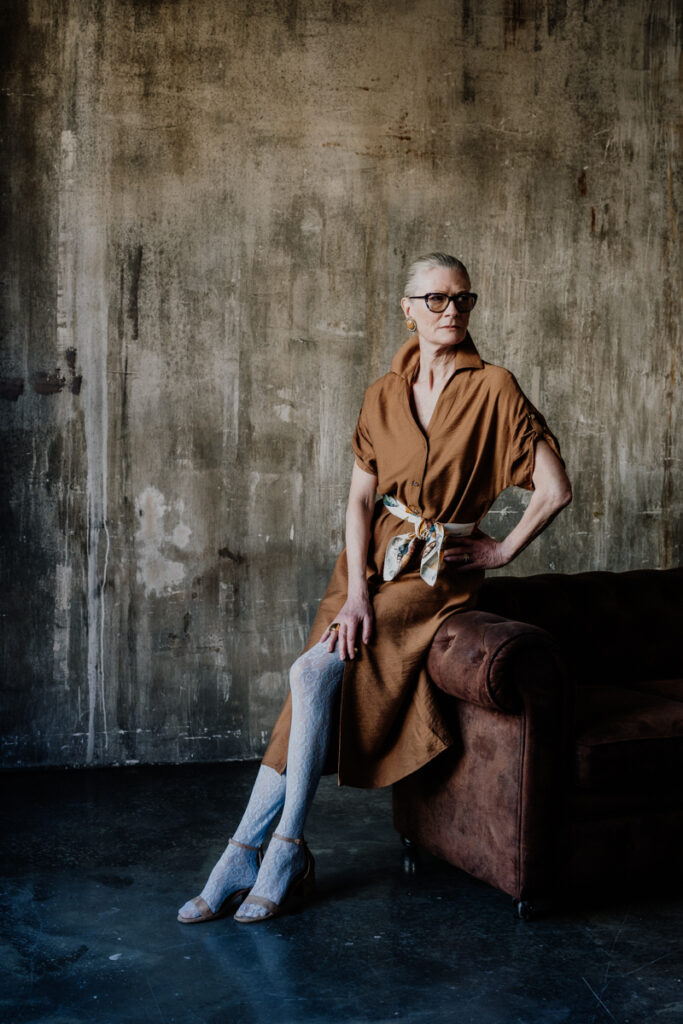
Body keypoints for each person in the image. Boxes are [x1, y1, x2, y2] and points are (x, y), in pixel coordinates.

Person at [177, 251, 572, 925]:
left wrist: (501, 547)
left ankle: (277, 849)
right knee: (309, 696)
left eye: (463, 300)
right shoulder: (381, 394)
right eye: (437, 299)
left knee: (309, 675)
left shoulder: (495, 388)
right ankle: (251, 853)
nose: (452, 311)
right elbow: (360, 501)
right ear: (408, 308)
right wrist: (356, 591)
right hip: (362, 568)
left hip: (434, 572)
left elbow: (555, 488)